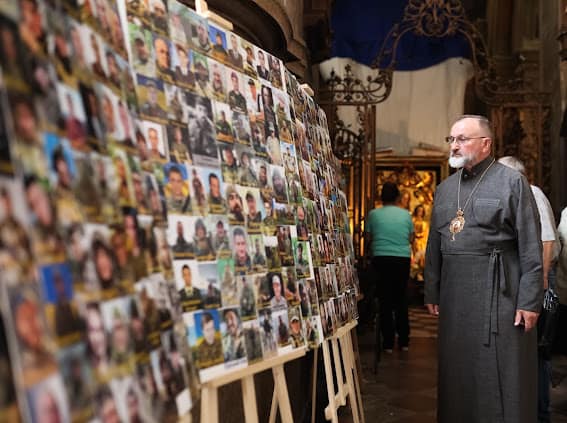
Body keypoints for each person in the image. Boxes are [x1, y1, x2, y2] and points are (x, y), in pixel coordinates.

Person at [424, 115, 543, 422]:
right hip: (454, 297)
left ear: (485, 144)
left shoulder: (512, 182)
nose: (454, 145)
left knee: (500, 371)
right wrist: (432, 289)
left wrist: (530, 301)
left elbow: (531, 246)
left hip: (500, 296)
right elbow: (434, 245)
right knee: (457, 371)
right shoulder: (445, 189)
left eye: (462, 139)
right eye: (451, 139)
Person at [498, 155, 560, 423]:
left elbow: (547, 241)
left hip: (539, 282)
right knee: (527, 350)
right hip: (530, 281)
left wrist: (540, 283)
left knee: (538, 351)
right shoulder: (518, 195)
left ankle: (540, 414)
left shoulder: (532, 193)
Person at [365, 181, 413, 353]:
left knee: (385, 299)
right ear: (398, 197)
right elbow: (411, 238)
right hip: (402, 259)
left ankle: (387, 343)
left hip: (381, 258)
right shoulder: (406, 215)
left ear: (381, 197)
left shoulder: (373, 214)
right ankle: (404, 341)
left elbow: (368, 238)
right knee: (401, 298)